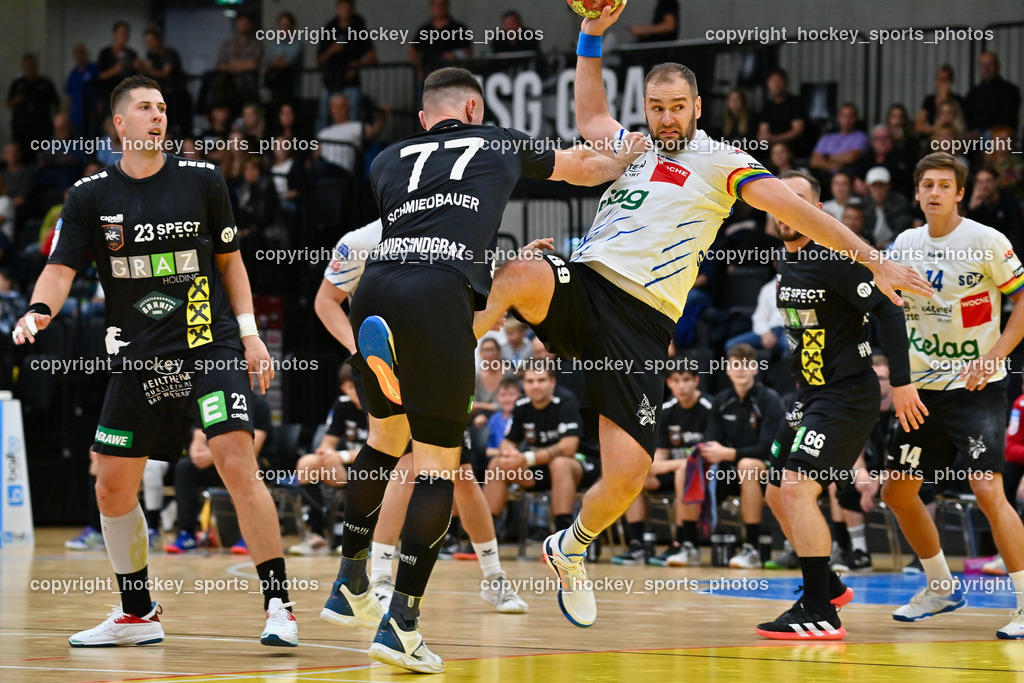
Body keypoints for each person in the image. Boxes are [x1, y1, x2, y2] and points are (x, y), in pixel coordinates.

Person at [474, 3, 930, 629]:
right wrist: (589, 37)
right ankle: (444, 365)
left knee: (628, 476)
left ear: (696, 109)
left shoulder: (721, 162)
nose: (665, 119)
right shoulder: (628, 147)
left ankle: (571, 547)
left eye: (676, 108)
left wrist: (872, 257)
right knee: (520, 271)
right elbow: (588, 114)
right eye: (656, 107)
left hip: (642, 323)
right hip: (587, 285)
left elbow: (796, 211)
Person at [317, 66, 643, 673]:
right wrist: (627, 148)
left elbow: (426, 217)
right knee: (439, 467)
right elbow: (594, 169)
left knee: (383, 442)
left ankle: (350, 580)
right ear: (474, 111)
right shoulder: (499, 140)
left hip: (377, 287)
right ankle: (403, 625)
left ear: (424, 119)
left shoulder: (386, 159)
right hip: (438, 295)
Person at [12, 75, 297, 648]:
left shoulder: (203, 179)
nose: (157, 115)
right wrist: (39, 310)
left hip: (204, 340)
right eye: (144, 108)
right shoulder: (90, 194)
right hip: (139, 355)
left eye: (162, 107)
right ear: (120, 124)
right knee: (112, 486)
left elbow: (231, 263)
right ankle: (138, 613)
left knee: (234, 455)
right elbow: (62, 266)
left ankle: (278, 606)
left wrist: (250, 335)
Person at [755, 170, 923, 640]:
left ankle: (819, 609)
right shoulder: (786, 261)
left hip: (846, 393)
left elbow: (890, 308)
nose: (787, 207)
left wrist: (904, 382)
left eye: (800, 199)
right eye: (780, 199)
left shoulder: (834, 256)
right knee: (773, 490)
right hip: (810, 394)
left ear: (817, 211)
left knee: (796, 490)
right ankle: (826, 583)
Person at [880, 152, 1024, 640]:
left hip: (976, 387)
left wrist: (997, 353)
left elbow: (1023, 297)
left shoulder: (986, 240)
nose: (935, 192)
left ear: (960, 193)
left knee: (986, 489)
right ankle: (941, 586)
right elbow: (890, 310)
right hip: (923, 390)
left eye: (945, 185)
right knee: (897, 491)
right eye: (928, 185)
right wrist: (898, 378)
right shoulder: (904, 243)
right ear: (917, 192)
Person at [614, 363, 712, 566]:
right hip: (677, 468)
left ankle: (683, 543)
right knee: (633, 475)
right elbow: (656, 462)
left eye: (686, 380)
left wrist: (680, 465)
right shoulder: (666, 410)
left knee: (685, 471)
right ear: (668, 383)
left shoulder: (709, 408)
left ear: (696, 381)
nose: (681, 386)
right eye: (676, 381)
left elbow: (708, 456)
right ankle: (638, 544)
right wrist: (679, 464)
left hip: (706, 474)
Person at [6, 54, 60, 161]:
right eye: (26, 67)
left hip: (42, 128)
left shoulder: (45, 83)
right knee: (23, 157)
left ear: (36, 67)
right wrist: (16, 100)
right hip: (22, 129)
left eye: (31, 67)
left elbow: (56, 104)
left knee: (42, 157)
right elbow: (8, 103)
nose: (29, 70)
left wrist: (56, 124)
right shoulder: (17, 84)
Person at [408, 0, 473, 82]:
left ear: (447, 6)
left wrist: (455, 55)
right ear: (431, 7)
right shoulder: (425, 29)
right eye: (436, 5)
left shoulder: (458, 28)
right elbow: (413, 49)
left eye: (441, 5)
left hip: (452, 76)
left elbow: (468, 52)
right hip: (429, 75)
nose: (438, 8)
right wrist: (418, 70)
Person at [965, 52, 1021, 135]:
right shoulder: (974, 92)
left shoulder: (1010, 91)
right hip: (976, 133)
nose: (986, 68)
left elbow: (1008, 118)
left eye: (989, 64)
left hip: (999, 133)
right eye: (983, 65)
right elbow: (967, 117)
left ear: (997, 66)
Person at [914, 64, 966, 138]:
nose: (942, 83)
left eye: (945, 80)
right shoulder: (929, 100)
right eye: (939, 79)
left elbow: (961, 125)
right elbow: (918, 125)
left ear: (951, 81)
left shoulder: (958, 100)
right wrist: (937, 129)